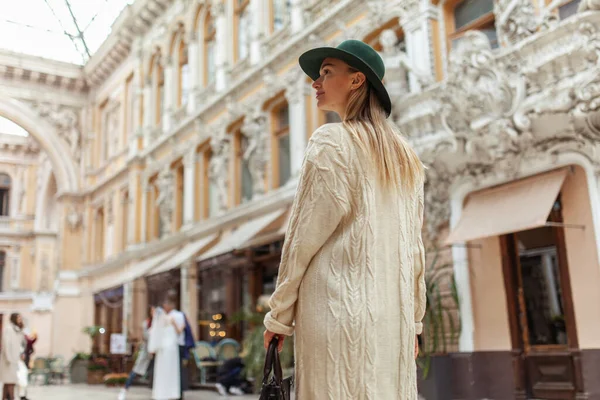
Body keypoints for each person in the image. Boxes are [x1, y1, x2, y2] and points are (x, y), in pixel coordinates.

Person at [263, 39, 426, 399]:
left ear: (356, 80)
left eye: (326, 72)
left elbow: (302, 240)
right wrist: (413, 324)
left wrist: (279, 317)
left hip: (335, 316)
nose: (315, 83)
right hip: (391, 324)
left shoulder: (331, 142)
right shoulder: (406, 158)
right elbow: (414, 252)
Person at [118, 307, 155, 400]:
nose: (154, 313)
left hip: (157, 353)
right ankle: (124, 390)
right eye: (153, 311)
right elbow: (146, 336)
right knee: (135, 371)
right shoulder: (147, 323)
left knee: (156, 373)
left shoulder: (160, 323)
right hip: (147, 352)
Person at [148, 306, 180, 400]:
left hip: (162, 349)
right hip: (171, 349)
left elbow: (153, 335)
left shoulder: (158, 324)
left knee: (162, 371)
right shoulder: (171, 319)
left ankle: (161, 392)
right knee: (171, 371)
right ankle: (170, 391)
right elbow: (178, 331)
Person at [161, 292, 187, 400]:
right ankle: (179, 392)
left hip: (173, 347)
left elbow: (178, 331)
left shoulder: (169, 317)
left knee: (173, 370)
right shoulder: (181, 315)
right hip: (180, 344)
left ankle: (174, 391)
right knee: (179, 369)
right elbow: (184, 327)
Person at [0, 314, 26, 400]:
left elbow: (22, 344)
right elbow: (6, 344)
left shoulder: (18, 330)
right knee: (10, 381)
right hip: (8, 360)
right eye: (18, 317)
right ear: (14, 318)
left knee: (8, 382)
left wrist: (21, 354)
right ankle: (11, 398)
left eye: (20, 317)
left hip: (15, 359)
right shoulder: (9, 329)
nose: (20, 319)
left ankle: (4, 398)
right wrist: (8, 358)